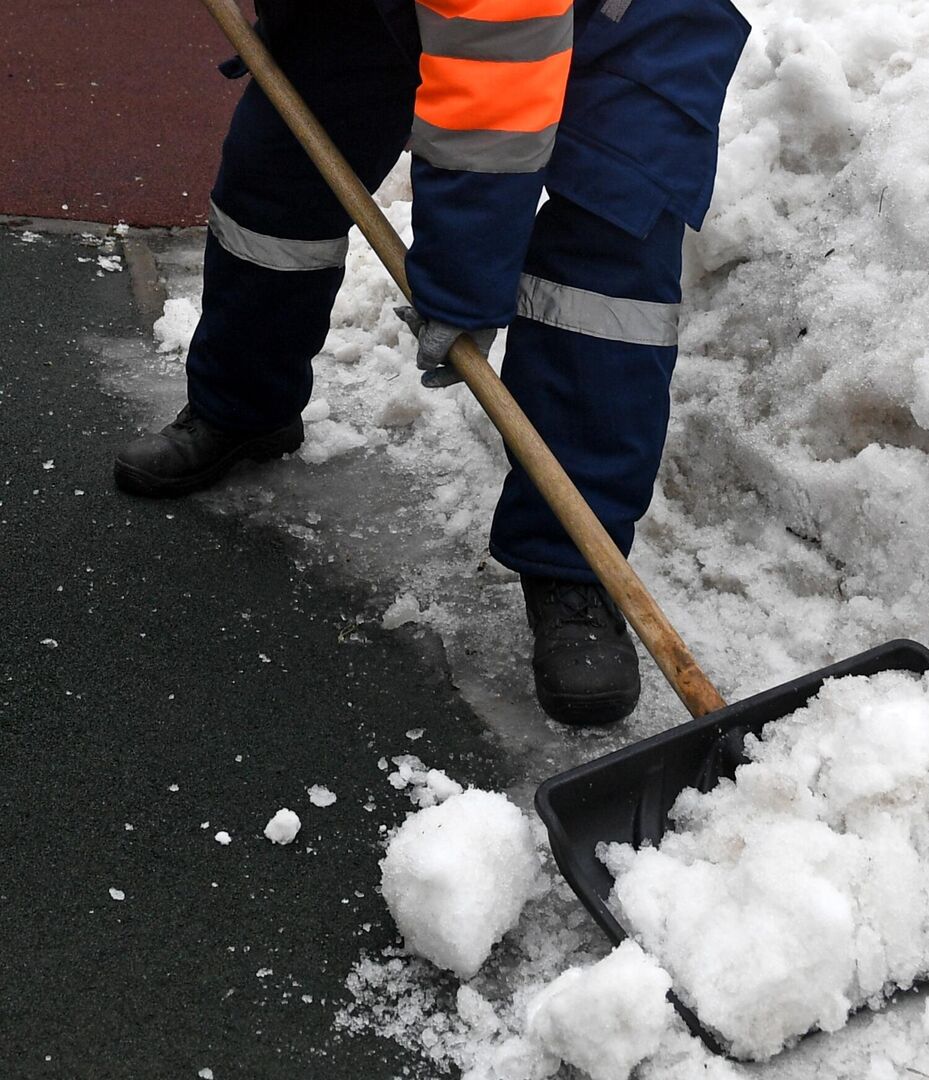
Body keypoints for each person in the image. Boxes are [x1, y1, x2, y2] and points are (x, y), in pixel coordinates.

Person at [111, 0, 750, 726]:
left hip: (631, 19)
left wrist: (463, 280)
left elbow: (496, 81)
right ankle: (241, 403)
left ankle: (575, 562)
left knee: (606, 269)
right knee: (283, 160)